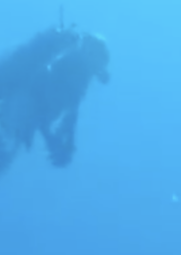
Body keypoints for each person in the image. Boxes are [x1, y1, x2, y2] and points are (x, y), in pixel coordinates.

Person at [0, 23, 112, 173]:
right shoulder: (71, 66)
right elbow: (42, 101)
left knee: (8, 146)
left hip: (21, 111)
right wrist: (54, 140)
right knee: (8, 143)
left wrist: (56, 140)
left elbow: (64, 114)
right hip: (21, 107)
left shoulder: (77, 76)